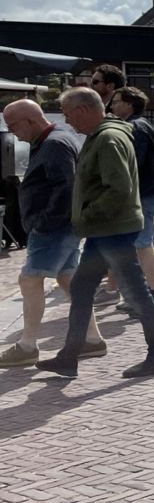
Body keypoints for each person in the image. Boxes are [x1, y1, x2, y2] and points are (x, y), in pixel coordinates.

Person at [35, 87, 154, 379]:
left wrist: (86, 215)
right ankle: (69, 355)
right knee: (83, 289)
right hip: (106, 230)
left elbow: (118, 189)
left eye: (70, 115)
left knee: (136, 292)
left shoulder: (108, 138)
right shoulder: (106, 135)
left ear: (84, 110)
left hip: (112, 229)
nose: (68, 122)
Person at [0, 100, 106, 368]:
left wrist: (42, 221)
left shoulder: (54, 144)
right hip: (61, 225)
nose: (12, 132)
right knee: (69, 280)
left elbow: (66, 188)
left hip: (53, 227)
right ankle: (92, 339)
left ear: (30, 121)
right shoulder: (57, 139)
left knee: (30, 280)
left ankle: (27, 345)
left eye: (13, 126)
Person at [107, 87, 154, 315]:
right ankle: (143, 296)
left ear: (129, 104)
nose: (112, 106)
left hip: (140, 195)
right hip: (145, 193)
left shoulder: (134, 127)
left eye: (116, 102)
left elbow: (131, 164)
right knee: (142, 246)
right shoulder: (141, 124)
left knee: (143, 247)